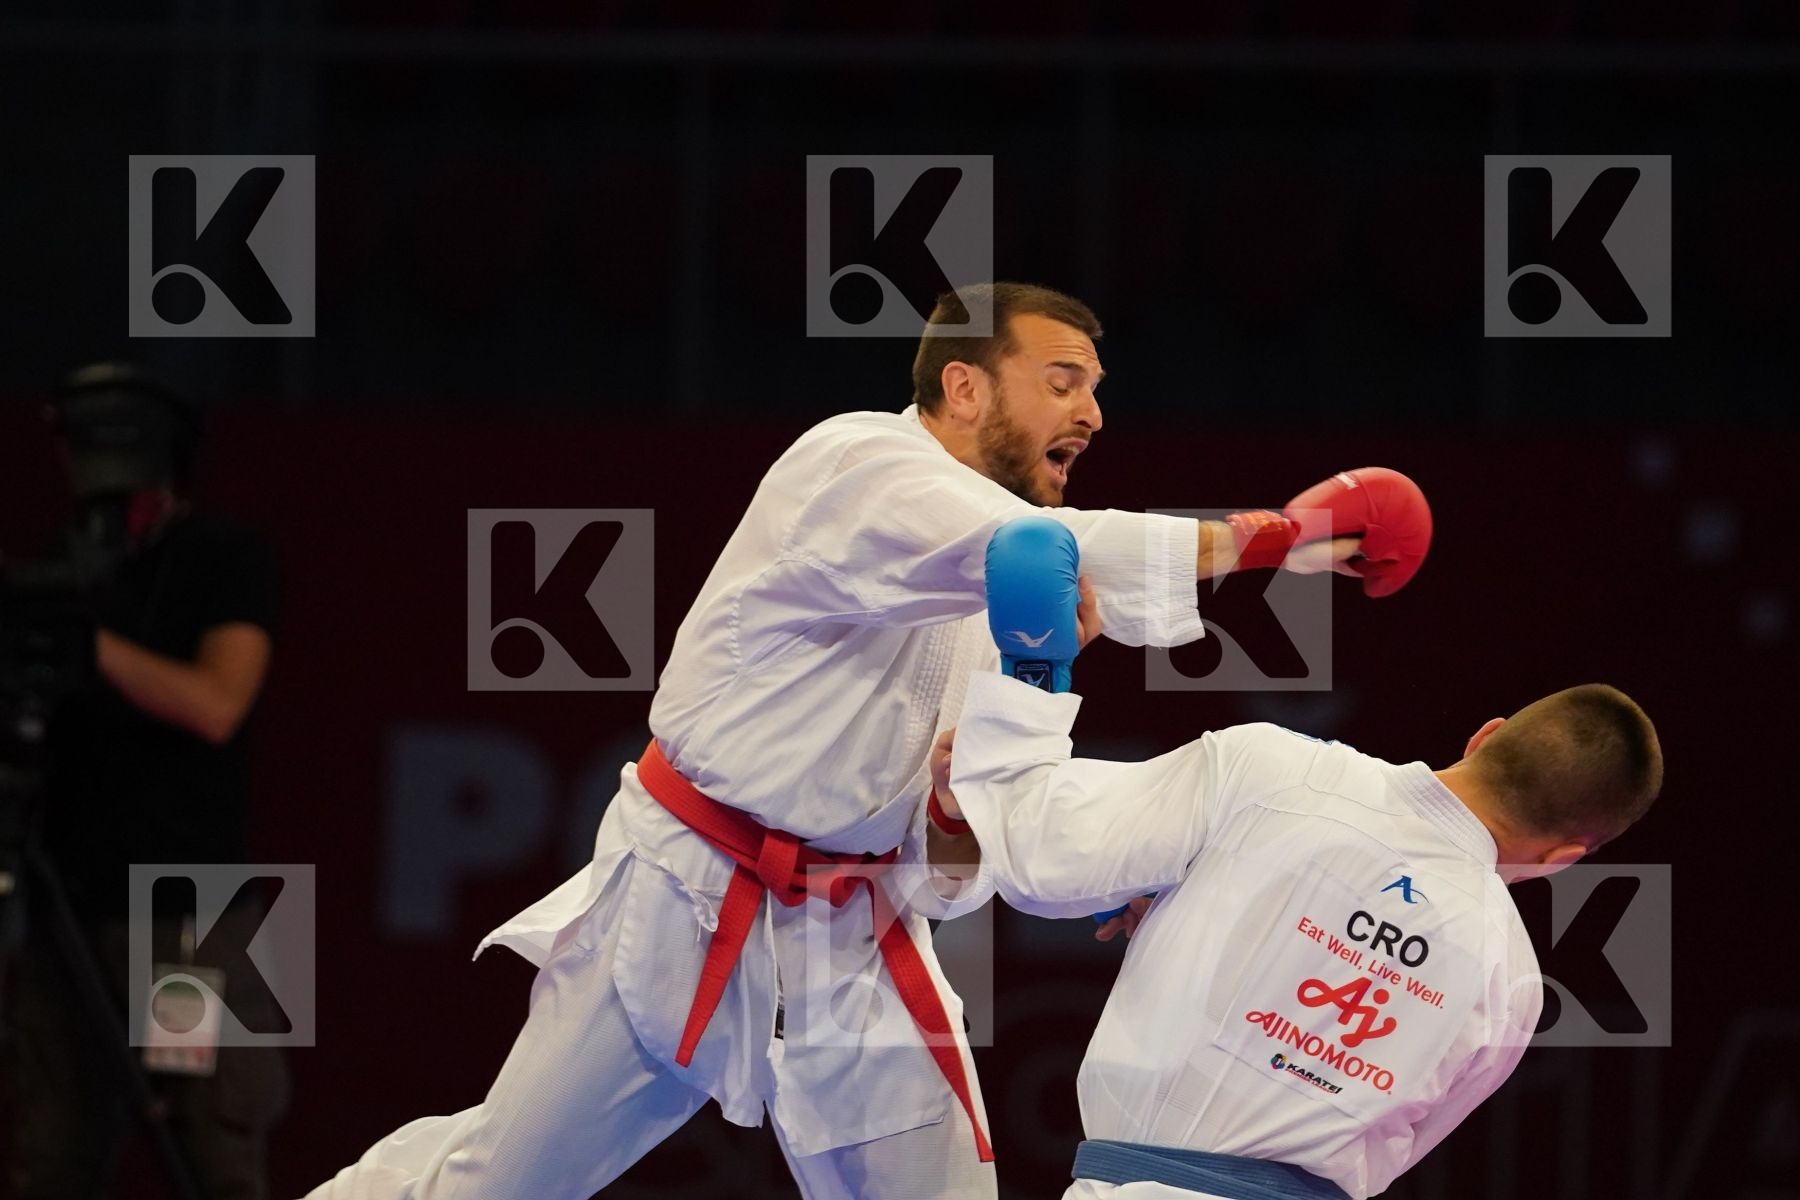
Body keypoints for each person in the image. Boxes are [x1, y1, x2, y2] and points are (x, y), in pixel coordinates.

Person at [309, 282, 1387, 1200]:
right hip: (691, 890)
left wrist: (974, 818)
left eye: (1098, 388)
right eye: (1064, 381)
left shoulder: (1008, 594)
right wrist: (1276, 540)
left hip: (854, 932)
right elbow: (1035, 543)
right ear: (963, 386)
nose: (1095, 413)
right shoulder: (856, 466)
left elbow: (954, 863)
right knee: (500, 1185)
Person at [932, 651, 1663, 1200]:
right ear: (1566, 857)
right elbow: (1394, 1144)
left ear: (1485, 736)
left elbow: (1042, 859)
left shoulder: (1269, 768)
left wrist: (994, 756)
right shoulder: (1514, 984)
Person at [5, 363, 288, 1199]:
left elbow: (217, 703)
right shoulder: (60, 564)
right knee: (51, 1153)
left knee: (210, 1150)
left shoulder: (227, 555)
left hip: (185, 922)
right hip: (65, 915)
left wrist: (90, 647)